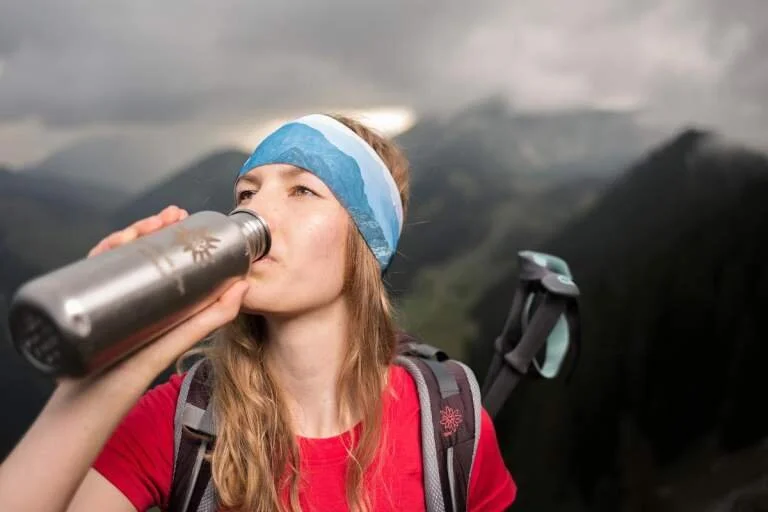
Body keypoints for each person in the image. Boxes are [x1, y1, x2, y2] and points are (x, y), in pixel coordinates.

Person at [0, 114, 517, 511]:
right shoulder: (181, 420)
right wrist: (102, 377)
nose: (255, 212)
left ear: (365, 240)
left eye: (301, 190)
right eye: (247, 193)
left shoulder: (449, 422)